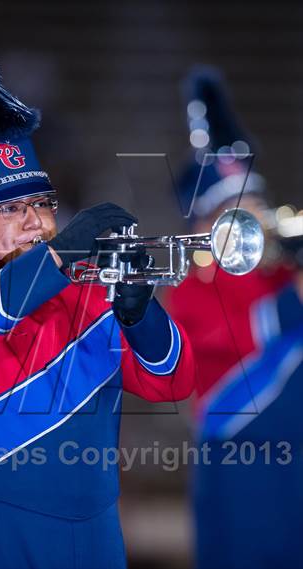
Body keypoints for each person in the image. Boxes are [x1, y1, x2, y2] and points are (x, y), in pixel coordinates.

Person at [0, 23, 195, 569]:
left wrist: (139, 312)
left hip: (95, 532)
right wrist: (58, 261)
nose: (35, 221)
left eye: (41, 202)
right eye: (10, 209)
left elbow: (173, 382)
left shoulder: (87, 288)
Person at [164, 66, 303, 569]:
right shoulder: (192, 292)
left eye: (257, 204)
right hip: (244, 464)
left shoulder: (283, 273)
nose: (258, 218)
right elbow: (235, 339)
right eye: (239, 208)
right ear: (205, 224)